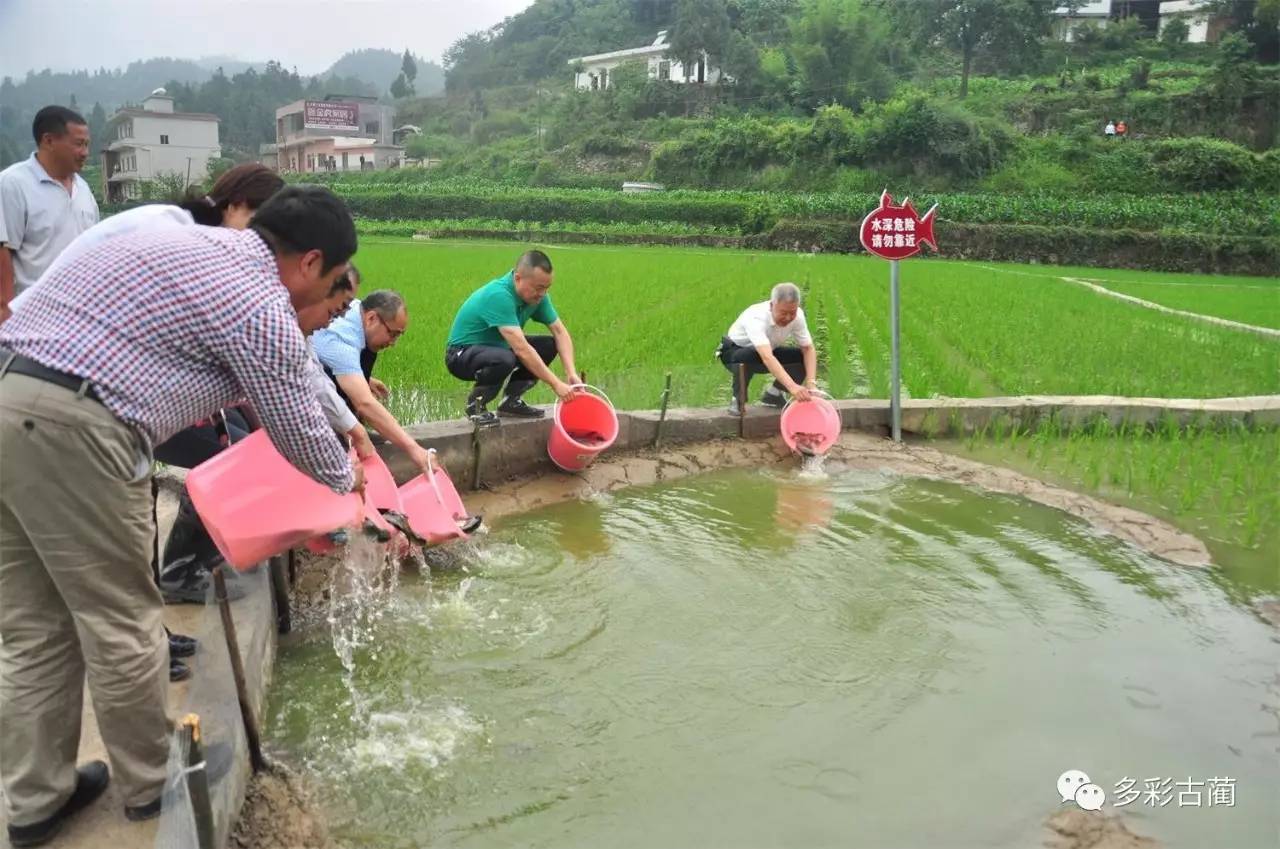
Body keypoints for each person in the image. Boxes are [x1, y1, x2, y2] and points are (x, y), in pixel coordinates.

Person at [0, 184, 361, 843]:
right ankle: (149, 781)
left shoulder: (184, 241)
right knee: (122, 616)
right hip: (78, 423)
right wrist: (354, 489)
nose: (333, 297)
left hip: (11, 390)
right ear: (310, 262)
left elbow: (302, 380)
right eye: (337, 280)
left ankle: (34, 797)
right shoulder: (257, 302)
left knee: (34, 626)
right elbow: (298, 431)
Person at [312, 289, 438, 478]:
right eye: (393, 334)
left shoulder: (357, 310)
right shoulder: (341, 339)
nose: (393, 342)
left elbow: (331, 360)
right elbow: (365, 403)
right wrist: (415, 450)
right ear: (371, 318)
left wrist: (363, 379)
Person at [445, 250, 580, 424]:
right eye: (538, 288)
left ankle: (511, 402)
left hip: (497, 349)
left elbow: (560, 332)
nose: (542, 294)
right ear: (518, 278)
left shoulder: (538, 298)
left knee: (548, 345)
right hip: (461, 355)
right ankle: (476, 406)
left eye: (546, 288)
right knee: (504, 358)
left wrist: (571, 373)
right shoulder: (499, 295)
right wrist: (556, 384)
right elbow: (521, 349)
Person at [0, 106, 99, 323]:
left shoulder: (83, 190)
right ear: (49, 141)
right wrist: (5, 311)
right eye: (79, 144)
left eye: (87, 144)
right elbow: (3, 250)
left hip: (80, 316)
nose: (85, 152)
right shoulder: (12, 184)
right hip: (33, 319)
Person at [717, 282, 818, 415]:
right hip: (735, 352)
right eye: (783, 313)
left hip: (766, 350)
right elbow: (767, 357)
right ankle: (738, 399)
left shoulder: (797, 315)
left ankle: (774, 394)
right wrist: (793, 387)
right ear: (772, 305)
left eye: (792, 313)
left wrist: (811, 383)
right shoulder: (756, 317)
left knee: (800, 356)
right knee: (747, 356)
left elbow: (808, 349)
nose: (788, 318)